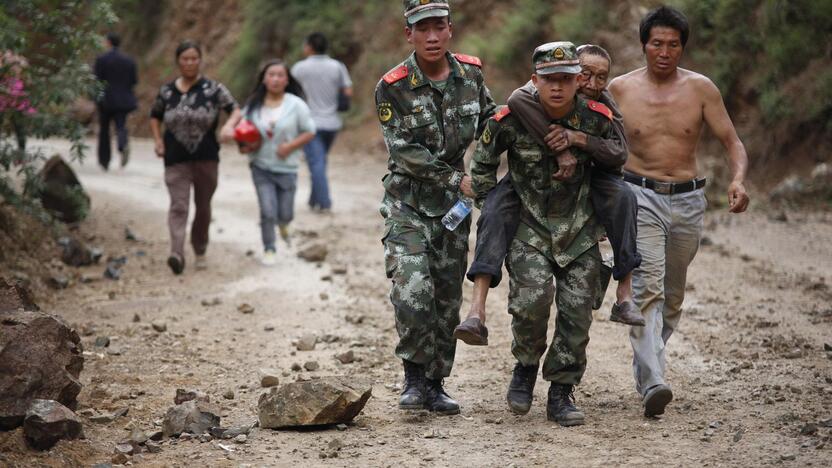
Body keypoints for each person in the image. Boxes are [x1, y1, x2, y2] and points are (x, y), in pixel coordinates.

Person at [608, 5, 749, 417]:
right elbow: (595, 138)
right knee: (647, 289)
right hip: (638, 194)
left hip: (688, 198)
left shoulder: (702, 89)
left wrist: (738, 179)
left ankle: (646, 365)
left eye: (673, 45)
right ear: (643, 45)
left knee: (672, 298)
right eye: (657, 44)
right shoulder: (620, 89)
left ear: (682, 48)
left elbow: (733, 142)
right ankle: (654, 380)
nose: (664, 52)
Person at [454, 43, 644, 347]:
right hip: (528, 189)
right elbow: (516, 101)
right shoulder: (527, 101)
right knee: (494, 210)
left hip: (587, 185)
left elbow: (619, 151)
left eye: (600, 77)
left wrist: (577, 139)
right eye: (585, 75)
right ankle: (476, 310)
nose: (591, 85)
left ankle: (624, 293)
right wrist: (561, 148)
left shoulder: (600, 109)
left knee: (624, 197)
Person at [470, 42, 613, 427]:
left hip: (580, 229)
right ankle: (526, 365)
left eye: (566, 79)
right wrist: (494, 208)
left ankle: (562, 390)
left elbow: (618, 156)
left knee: (577, 312)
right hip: (529, 227)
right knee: (531, 301)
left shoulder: (595, 117)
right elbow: (482, 165)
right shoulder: (508, 119)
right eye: (548, 79)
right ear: (535, 80)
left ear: (577, 80)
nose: (557, 87)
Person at [375, 0, 495, 415]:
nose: (430, 36)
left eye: (437, 27)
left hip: (452, 211)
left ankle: (435, 383)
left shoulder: (471, 75)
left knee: (445, 296)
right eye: (421, 28)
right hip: (406, 204)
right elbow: (402, 150)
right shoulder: (392, 86)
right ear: (408, 33)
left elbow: (491, 125)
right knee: (413, 289)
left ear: (449, 30)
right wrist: (455, 178)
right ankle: (412, 376)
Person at [150, 40, 241, 275]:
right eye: (185, 59)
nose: (190, 63)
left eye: (194, 58)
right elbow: (155, 115)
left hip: (207, 157)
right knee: (179, 205)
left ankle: (200, 248)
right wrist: (158, 141)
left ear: (200, 61)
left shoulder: (214, 89)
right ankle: (177, 253)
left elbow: (235, 109)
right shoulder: (167, 91)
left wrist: (229, 127)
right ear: (178, 61)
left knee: (203, 206)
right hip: (175, 158)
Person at [224, 60, 316, 266]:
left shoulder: (296, 105)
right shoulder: (253, 105)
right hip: (260, 166)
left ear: (286, 80)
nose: (275, 79)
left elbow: (310, 131)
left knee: (285, 213)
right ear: (264, 79)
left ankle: (284, 225)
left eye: (280, 75)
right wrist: (244, 147)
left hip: (287, 167)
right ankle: (269, 248)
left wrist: (290, 146)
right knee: (267, 210)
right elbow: (243, 133)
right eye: (271, 75)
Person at [291, 32, 353, 213]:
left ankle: (324, 203)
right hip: (332, 123)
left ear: (309, 47)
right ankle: (313, 200)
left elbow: (290, 94)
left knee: (316, 163)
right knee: (318, 162)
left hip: (309, 124)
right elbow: (347, 91)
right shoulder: (337, 66)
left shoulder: (299, 68)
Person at [94, 32, 138, 170]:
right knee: (121, 126)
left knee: (104, 130)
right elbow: (134, 81)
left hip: (106, 101)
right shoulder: (129, 60)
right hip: (123, 100)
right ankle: (122, 144)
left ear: (108, 42)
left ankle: (104, 160)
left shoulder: (101, 59)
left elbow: (96, 81)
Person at [0, 50, 35, 156]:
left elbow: (29, 82)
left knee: (19, 128)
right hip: (3, 100)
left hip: (18, 102)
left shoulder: (21, 71)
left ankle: (21, 152)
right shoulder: (4, 72)